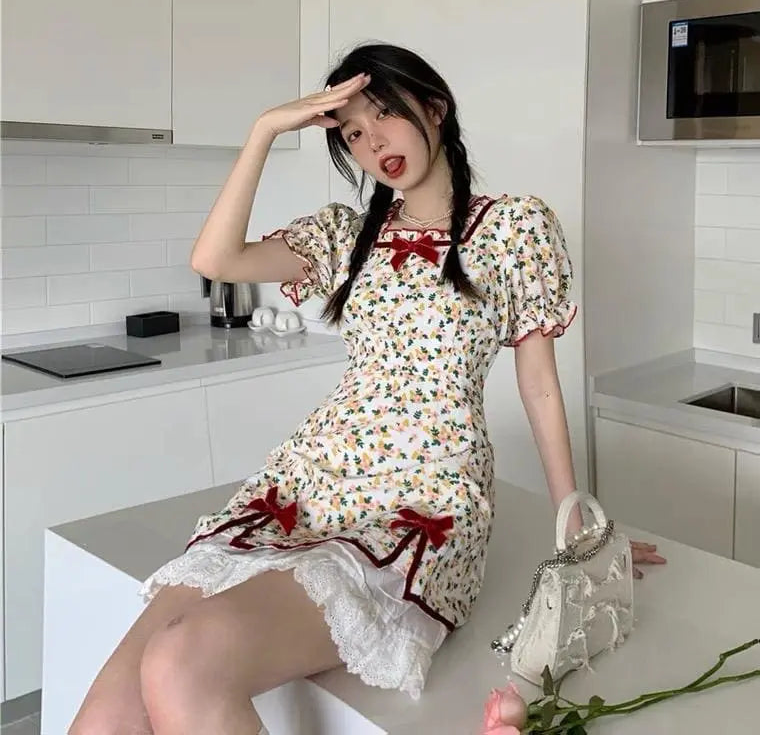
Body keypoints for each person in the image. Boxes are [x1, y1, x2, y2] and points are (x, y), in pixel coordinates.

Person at [70, 42, 665, 735]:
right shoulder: (346, 236)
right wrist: (265, 129)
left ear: (434, 108)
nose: (372, 141)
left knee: (181, 663)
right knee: (104, 719)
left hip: (425, 493)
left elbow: (538, 383)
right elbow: (215, 258)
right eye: (352, 132)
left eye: (384, 113)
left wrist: (576, 523)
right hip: (311, 479)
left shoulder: (513, 228)